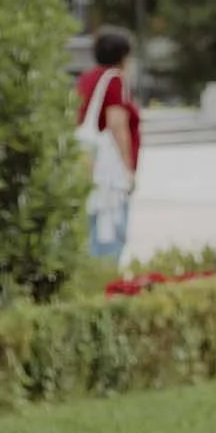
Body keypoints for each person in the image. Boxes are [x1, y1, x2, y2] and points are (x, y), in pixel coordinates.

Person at [73, 27, 140, 263]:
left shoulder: (87, 77)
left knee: (91, 224)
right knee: (111, 226)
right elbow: (116, 124)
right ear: (123, 56)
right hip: (108, 172)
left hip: (88, 166)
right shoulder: (114, 80)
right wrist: (128, 167)